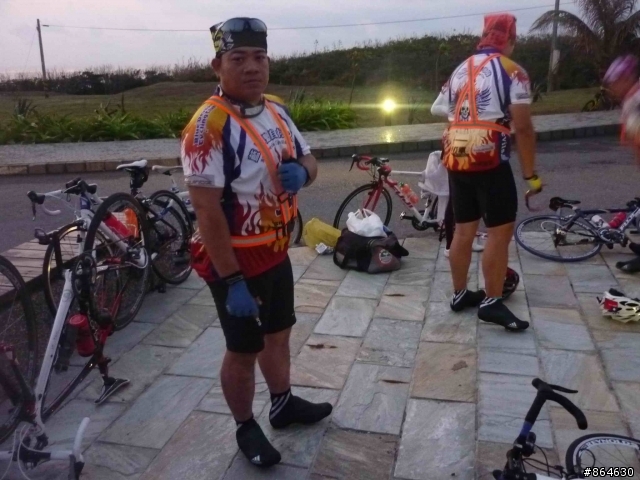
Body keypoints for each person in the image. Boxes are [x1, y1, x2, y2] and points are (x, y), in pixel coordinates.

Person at [181, 17, 331, 468]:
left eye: (259, 57)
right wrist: (231, 282)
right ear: (217, 65)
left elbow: (310, 157)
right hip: (236, 264)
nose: (252, 67)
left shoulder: (276, 109)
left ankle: (282, 403)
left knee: (278, 334)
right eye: (238, 58)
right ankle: (245, 426)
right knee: (243, 350)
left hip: (276, 251)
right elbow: (207, 211)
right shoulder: (206, 127)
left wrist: (303, 171)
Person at [431, 13, 541, 331]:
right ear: (510, 39)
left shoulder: (460, 69)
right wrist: (531, 175)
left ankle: (460, 294)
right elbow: (523, 127)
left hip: (457, 158)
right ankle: (492, 302)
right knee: (498, 232)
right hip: (489, 160)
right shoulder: (513, 71)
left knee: (463, 231)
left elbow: (441, 109)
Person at [601, 55, 640, 272]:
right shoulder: (632, 98)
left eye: (614, 82)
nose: (612, 88)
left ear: (626, 78)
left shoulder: (636, 100)